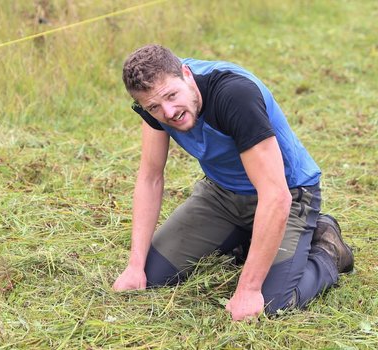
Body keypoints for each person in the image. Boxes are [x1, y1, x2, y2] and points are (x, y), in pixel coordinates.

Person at [112, 44, 354, 321]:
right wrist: (134, 265)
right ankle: (248, 239)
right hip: (220, 195)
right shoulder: (155, 100)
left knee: (271, 304)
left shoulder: (234, 95)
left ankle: (326, 249)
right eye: (154, 106)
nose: (168, 112)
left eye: (171, 96)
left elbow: (276, 195)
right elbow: (150, 177)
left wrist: (248, 289)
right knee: (152, 275)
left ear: (186, 75)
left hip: (289, 194)